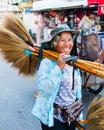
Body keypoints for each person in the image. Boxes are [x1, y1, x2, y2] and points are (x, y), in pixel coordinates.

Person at [31, 24, 83, 130]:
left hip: (71, 116)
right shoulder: (47, 63)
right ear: (55, 43)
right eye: (62, 40)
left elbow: (77, 93)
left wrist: (79, 115)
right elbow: (44, 91)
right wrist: (58, 69)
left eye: (69, 40)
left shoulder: (73, 61)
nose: (67, 44)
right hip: (54, 118)